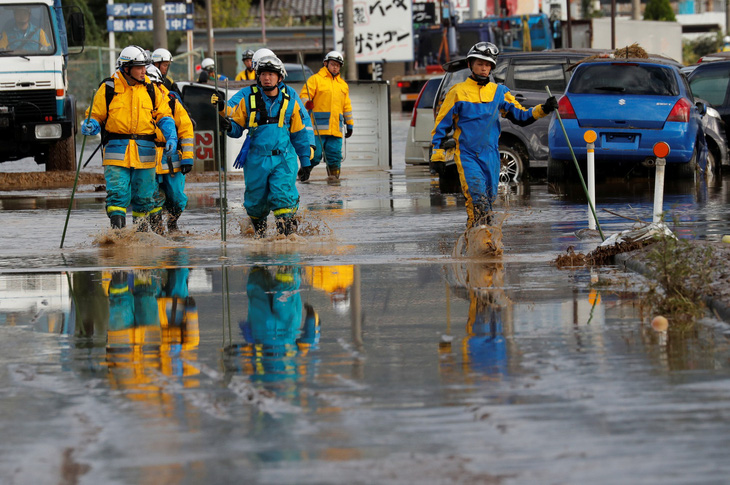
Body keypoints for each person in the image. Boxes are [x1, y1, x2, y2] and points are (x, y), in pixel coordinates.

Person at [431, 42, 557, 229]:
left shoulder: (499, 92)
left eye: (487, 65)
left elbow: (521, 116)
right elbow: (441, 126)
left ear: (492, 67)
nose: (484, 68)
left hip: (491, 155)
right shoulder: (457, 92)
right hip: (466, 155)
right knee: (477, 199)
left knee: (488, 201)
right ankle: (480, 241)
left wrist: (544, 109)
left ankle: (480, 240)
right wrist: (437, 155)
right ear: (470, 65)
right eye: (480, 64)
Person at [213, 53, 312, 237]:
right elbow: (237, 127)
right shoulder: (248, 99)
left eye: (271, 74)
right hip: (256, 160)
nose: (267, 78)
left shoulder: (290, 100)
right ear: (258, 76)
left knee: (283, 198)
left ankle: (286, 241)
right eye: (263, 74)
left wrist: (306, 162)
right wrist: (228, 125)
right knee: (256, 204)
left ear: (280, 77)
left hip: (283, 159)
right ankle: (259, 241)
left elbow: (299, 134)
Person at [81, 45, 177, 230]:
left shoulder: (151, 89)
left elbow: (164, 115)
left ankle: (139, 239)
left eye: (145, 66)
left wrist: (171, 136)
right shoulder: (108, 88)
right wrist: (91, 124)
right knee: (117, 195)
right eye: (139, 67)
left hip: (145, 153)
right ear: (126, 68)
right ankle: (118, 239)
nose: (144, 71)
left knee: (144, 197)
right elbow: (95, 115)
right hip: (117, 152)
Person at [146, 65, 195, 233]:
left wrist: (187, 157)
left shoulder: (171, 101)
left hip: (171, 158)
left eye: (155, 84)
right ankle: (157, 229)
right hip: (148, 157)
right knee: (153, 197)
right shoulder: (138, 102)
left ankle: (173, 224)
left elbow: (186, 129)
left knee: (177, 198)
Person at [299, 50, 354, 181]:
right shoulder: (315, 80)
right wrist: (308, 103)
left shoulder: (343, 85)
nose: (335, 67)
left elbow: (346, 106)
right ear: (326, 64)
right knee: (315, 155)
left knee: (334, 156)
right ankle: (304, 173)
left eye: (338, 65)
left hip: (336, 129)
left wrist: (350, 124)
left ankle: (334, 181)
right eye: (333, 64)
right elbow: (303, 96)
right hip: (318, 128)